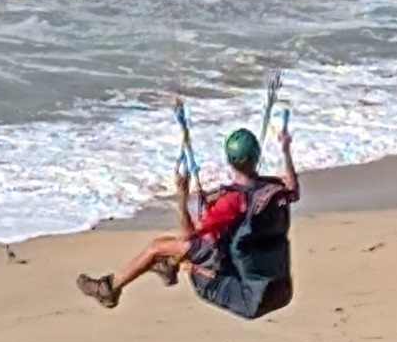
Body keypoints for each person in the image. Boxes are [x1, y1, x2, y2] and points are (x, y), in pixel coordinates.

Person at [78, 118, 299, 310]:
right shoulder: (271, 190)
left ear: (229, 160)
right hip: (264, 272)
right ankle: (169, 264)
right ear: (256, 156)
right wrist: (285, 150)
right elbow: (292, 188)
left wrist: (182, 198)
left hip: (225, 271)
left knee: (157, 247)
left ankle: (109, 288)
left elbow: (189, 236)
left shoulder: (231, 201)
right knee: (171, 245)